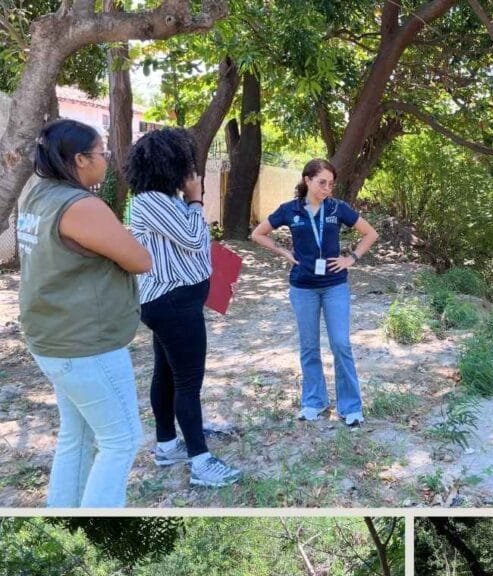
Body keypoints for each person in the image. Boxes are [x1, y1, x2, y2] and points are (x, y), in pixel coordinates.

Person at [17, 118, 150, 507]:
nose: (107, 160)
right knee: (121, 440)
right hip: (85, 343)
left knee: (78, 435)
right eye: (101, 153)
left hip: (51, 337)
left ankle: (66, 517)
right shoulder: (81, 206)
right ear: (79, 159)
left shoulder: (39, 194)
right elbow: (139, 260)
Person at [125, 127, 240, 488]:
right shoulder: (151, 201)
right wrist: (196, 197)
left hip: (173, 301)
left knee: (168, 375)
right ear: (169, 165)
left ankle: (166, 445)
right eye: (185, 164)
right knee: (189, 382)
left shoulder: (161, 199)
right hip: (173, 303)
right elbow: (193, 238)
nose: (191, 171)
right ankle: (201, 462)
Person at [250, 159, 378, 426]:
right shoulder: (290, 210)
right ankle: (314, 401)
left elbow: (370, 234)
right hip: (303, 287)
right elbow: (258, 234)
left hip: (335, 286)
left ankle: (350, 406)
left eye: (331, 184)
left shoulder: (337, 208)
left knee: (341, 344)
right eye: (322, 182)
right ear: (307, 180)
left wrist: (351, 258)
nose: (327, 189)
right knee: (309, 347)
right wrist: (284, 252)